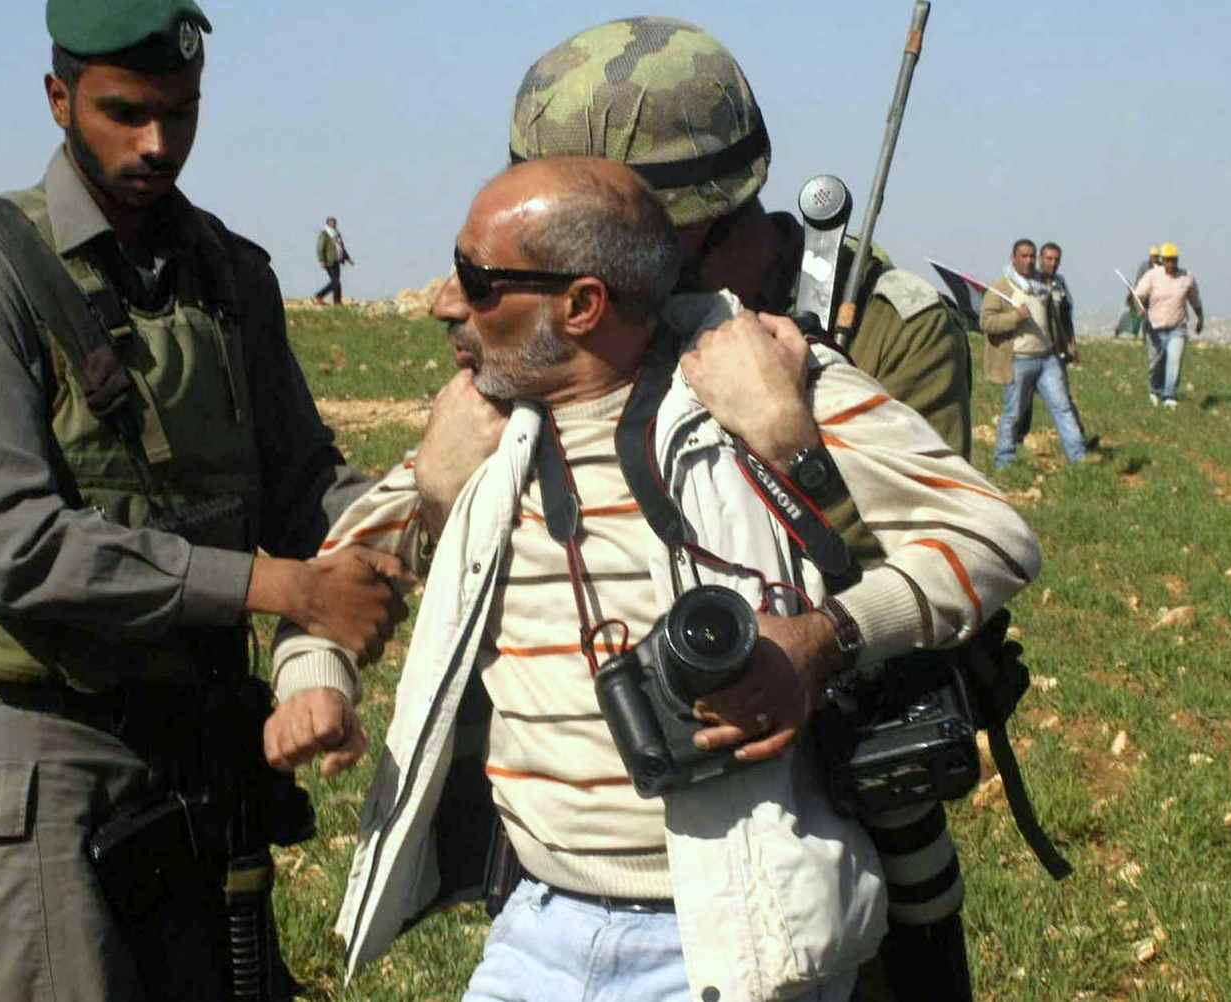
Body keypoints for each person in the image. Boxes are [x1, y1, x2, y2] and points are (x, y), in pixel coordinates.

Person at [265, 158, 1041, 1002]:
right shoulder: (485, 426)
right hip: (535, 925)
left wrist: (822, 642)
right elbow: (336, 576)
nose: (445, 303)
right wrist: (316, 681)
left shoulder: (761, 381)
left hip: (733, 933)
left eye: (476, 281)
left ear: (583, 305)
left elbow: (990, 535)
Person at [0, 3, 410, 999]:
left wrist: (412, 515)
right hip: (47, 754)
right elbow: (12, 541)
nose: (158, 143)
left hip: (202, 745)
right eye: (125, 111)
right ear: (58, 98)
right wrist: (276, 587)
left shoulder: (230, 275)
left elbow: (302, 483)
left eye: (180, 111)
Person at [500, 18, 978, 996]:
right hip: (624, 825)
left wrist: (788, 443)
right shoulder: (585, 329)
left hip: (829, 794)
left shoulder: (888, 326)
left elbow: (937, 561)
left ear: (692, 220)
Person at [981, 239, 1087, 468]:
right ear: (1014, 258)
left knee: (1063, 408)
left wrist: (1068, 345)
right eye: (1024, 256)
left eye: (1032, 256)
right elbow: (987, 322)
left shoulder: (1043, 285)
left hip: (1048, 358)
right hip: (1019, 361)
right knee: (1013, 414)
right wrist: (1014, 318)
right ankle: (1004, 463)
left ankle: (1079, 459)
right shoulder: (1002, 287)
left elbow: (1059, 316)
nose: (1028, 260)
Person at [1009, 242, 1086, 445]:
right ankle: (1016, 440)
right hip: (1028, 352)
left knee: (1063, 401)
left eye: (1056, 259)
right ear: (1040, 259)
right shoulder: (1028, 283)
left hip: (1053, 352)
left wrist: (1072, 344)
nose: (1053, 263)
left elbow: (1066, 315)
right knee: (1021, 404)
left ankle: (1079, 442)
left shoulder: (1060, 284)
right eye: (1049, 259)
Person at [1132, 241, 1205, 408]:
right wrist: (1140, 308)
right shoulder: (1152, 275)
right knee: (1156, 362)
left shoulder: (1187, 277)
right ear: (1163, 260)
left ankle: (1169, 395)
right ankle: (1154, 390)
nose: (1171, 263)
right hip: (1155, 328)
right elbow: (1138, 295)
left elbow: (1195, 300)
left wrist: (1201, 319)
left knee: (1174, 360)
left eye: (1174, 260)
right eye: (1168, 260)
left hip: (1177, 327)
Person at [1114, 245, 1162, 337]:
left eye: (1156, 256)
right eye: (1153, 256)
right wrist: (1135, 294)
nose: (1155, 258)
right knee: (1136, 314)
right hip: (1142, 296)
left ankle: (1147, 336)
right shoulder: (1144, 266)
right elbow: (1139, 282)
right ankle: (1121, 329)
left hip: (1156, 298)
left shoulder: (1162, 267)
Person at [313, 215, 353, 305]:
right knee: (335, 282)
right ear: (328, 223)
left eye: (335, 222)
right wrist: (321, 260)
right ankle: (319, 295)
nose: (334, 224)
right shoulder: (324, 234)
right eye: (332, 222)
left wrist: (347, 258)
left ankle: (337, 301)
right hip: (329, 261)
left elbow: (341, 247)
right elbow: (320, 247)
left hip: (337, 260)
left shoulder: (337, 234)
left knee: (337, 282)